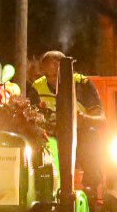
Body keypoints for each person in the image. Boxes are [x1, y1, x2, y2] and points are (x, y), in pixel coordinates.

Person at [29, 50, 106, 185]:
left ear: (68, 71)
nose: (52, 81)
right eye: (47, 76)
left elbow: (101, 121)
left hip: (79, 135)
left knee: (91, 138)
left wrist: (82, 118)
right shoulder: (37, 87)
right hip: (50, 137)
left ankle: (91, 191)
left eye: (55, 75)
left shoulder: (82, 84)